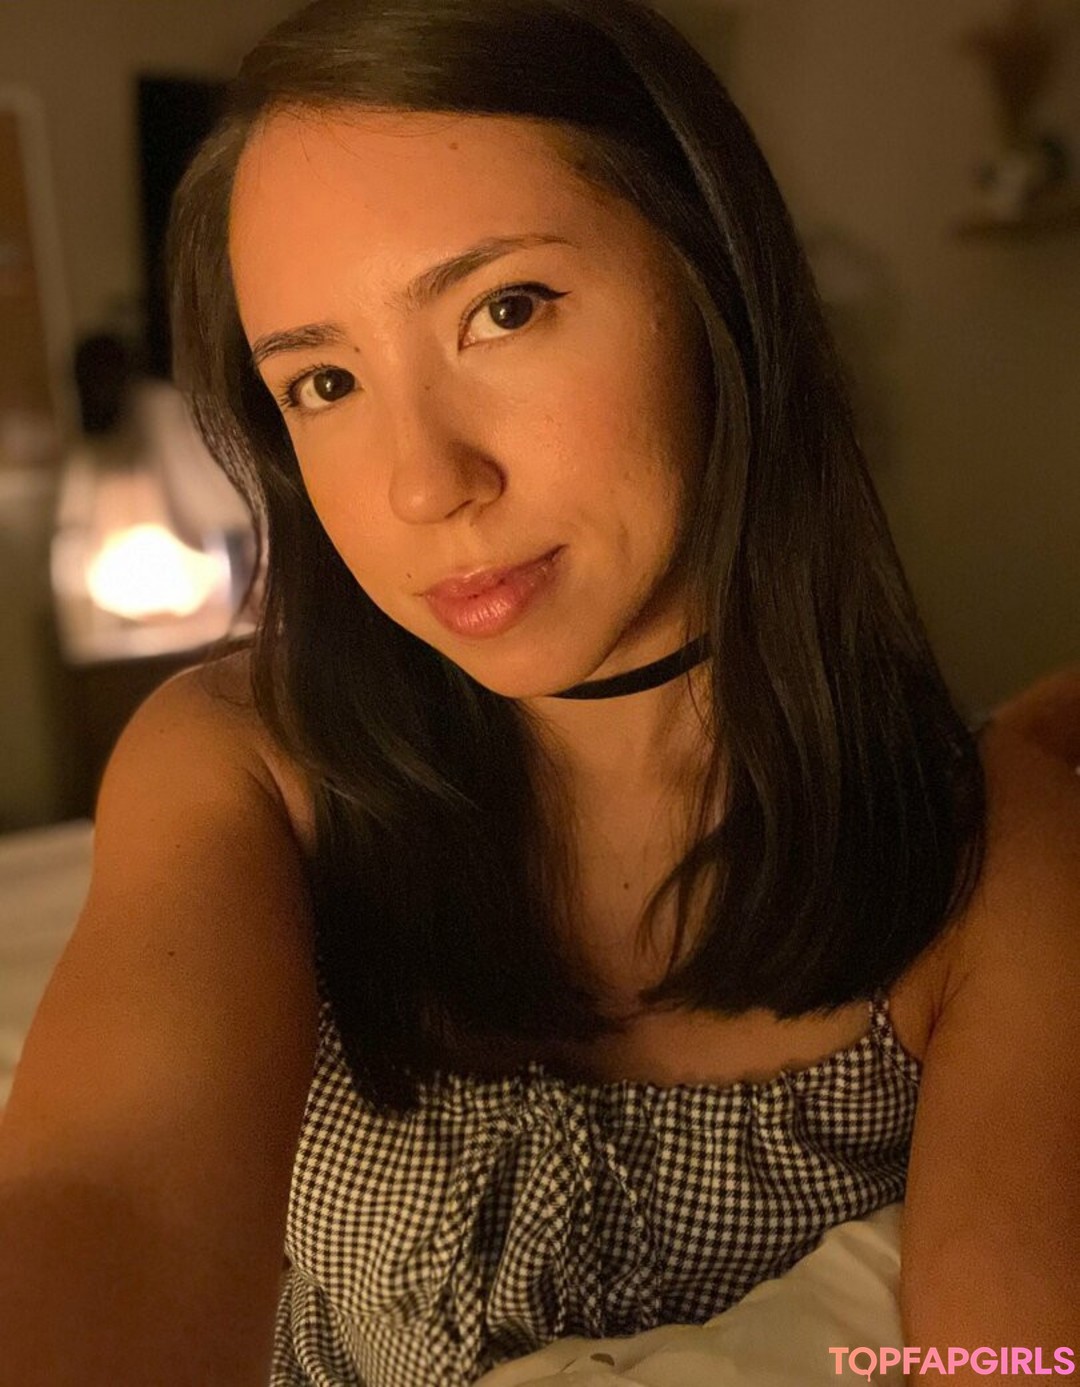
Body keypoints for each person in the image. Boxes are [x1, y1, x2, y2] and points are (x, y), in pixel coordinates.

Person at [1, 1, 1077, 1383]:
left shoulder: (994, 858)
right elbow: (115, 1202)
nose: (424, 485)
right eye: (323, 381)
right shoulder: (243, 766)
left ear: (715, 280)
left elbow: (1016, 1361)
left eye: (504, 310)